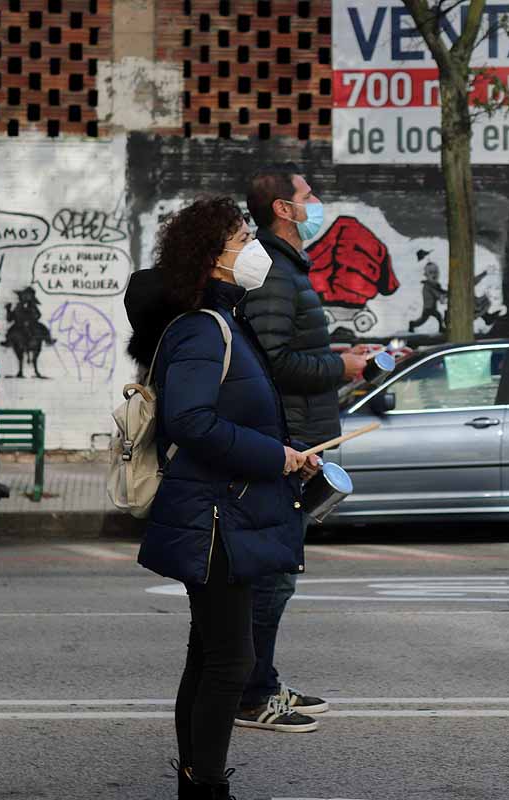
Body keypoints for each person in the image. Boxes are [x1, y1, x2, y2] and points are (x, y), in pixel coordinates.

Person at [125, 196, 322, 797]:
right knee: (230, 664)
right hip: (215, 518)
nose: (253, 247)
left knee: (209, 655)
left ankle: (196, 779)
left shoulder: (221, 319)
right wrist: (274, 455)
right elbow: (190, 420)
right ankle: (205, 785)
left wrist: (285, 451)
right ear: (213, 259)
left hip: (224, 510)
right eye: (241, 239)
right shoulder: (202, 328)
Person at [234, 165, 368, 732]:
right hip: (284, 440)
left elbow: (289, 348)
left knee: (279, 570)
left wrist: (345, 360)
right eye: (308, 196)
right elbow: (272, 360)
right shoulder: (270, 272)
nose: (318, 203)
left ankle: (260, 683)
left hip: (299, 436)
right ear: (284, 210)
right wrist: (341, 366)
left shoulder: (286, 268)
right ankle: (249, 695)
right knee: (273, 572)